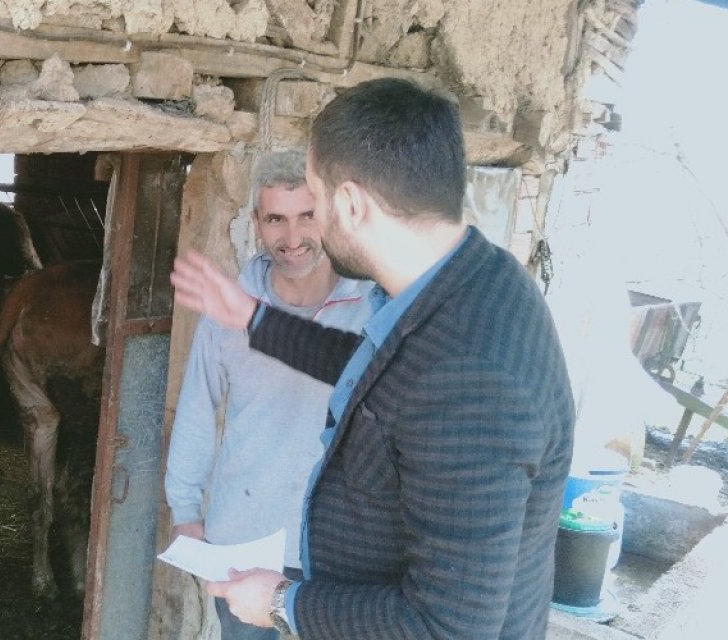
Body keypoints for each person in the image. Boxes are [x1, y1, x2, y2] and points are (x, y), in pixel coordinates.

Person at [169, 78, 575, 639]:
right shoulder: (480, 283)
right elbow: (377, 373)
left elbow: (446, 627)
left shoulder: (472, 381)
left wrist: (285, 603)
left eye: (315, 196)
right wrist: (252, 319)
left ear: (351, 204)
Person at [165, 150, 372, 640]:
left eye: (307, 216)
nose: (293, 238)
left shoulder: (371, 309)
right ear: (256, 222)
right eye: (276, 219)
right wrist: (186, 513)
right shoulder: (229, 309)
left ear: (330, 216)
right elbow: (196, 408)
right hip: (243, 540)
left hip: (337, 548)